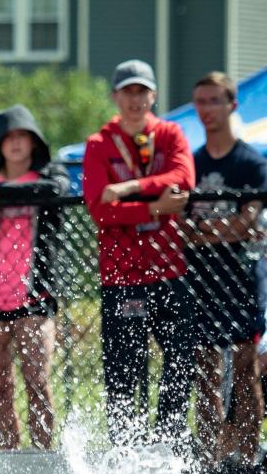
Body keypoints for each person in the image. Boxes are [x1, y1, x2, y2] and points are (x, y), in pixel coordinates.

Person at [82, 59, 195, 450]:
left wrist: (130, 188)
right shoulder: (99, 144)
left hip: (168, 269)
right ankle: (125, 452)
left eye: (142, 91)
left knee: (181, 361)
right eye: (128, 91)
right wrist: (154, 208)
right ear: (116, 96)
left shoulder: (170, 133)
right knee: (123, 372)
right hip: (122, 276)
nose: (136, 99)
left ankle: (168, 443)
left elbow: (183, 179)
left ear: (154, 95)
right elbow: (99, 210)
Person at [0, 105, 69, 450]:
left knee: (37, 379)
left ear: (34, 141)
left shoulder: (49, 180)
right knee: (0, 383)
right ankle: (9, 456)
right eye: (9, 137)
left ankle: (41, 456)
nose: (16, 143)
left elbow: (55, 192)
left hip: (34, 296)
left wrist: (1, 192)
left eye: (23, 136)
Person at [184, 72, 267, 472]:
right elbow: (180, 225)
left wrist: (204, 232)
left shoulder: (250, 162)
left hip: (242, 280)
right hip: (201, 281)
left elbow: (247, 223)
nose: (206, 109)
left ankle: (248, 457)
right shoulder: (192, 163)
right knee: (206, 372)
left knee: (246, 369)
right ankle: (212, 459)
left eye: (214, 101)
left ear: (232, 105)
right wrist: (218, 231)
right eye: (200, 101)